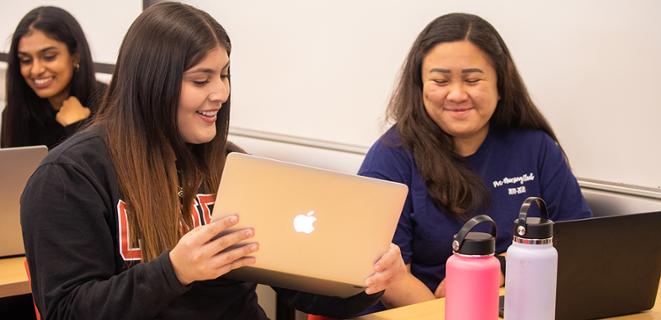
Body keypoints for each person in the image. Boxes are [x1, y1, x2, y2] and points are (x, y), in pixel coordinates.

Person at [20, 2, 404, 319]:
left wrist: (363, 282)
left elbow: (299, 292)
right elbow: (68, 311)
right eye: (201, 80)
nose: (221, 92)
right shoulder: (69, 177)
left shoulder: (232, 166)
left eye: (224, 75)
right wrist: (174, 271)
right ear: (152, 84)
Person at [357, 13, 592, 312]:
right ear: (420, 86)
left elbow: (578, 242)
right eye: (440, 80)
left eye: (472, 80)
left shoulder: (536, 147)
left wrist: (501, 268)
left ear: (500, 83)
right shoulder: (391, 156)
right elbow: (388, 275)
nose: (456, 94)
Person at [1, 6, 105, 149]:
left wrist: (78, 125)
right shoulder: (16, 112)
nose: (36, 70)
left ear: (75, 55)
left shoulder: (109, 103)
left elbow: (104, 168)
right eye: (25, 60)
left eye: (49, 57)